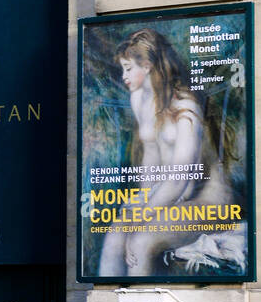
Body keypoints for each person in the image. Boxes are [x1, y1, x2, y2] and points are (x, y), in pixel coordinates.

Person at [96, 28, 238, 278]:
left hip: (204, 200)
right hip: (167, 193)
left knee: (142, 240)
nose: (124, 76)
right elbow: (151, 161)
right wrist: (142, 203)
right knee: (114, 236)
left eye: (129, 68)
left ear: (148, 65)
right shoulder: (139, 99)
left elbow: (182, 179)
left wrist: (143, 216)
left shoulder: (186, 107)